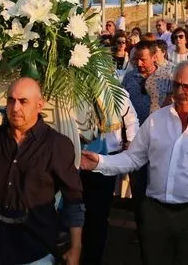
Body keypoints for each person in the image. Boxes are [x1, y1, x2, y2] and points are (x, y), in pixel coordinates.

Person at [81, 61, 188, 265]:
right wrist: (99, 162)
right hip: (156, 213)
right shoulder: (156, 120)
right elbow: (133, 157)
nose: (179, 91)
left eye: (187, 87)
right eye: (176, 85)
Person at [0, 77, 82, 265]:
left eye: (23, 101)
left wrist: (75, 249)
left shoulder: (57, 144)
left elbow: (74, 199)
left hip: (36, 247)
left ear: (39, 105)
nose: (15, 108)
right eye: (11, 100)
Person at [79, 92, 138, 265]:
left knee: (97, 215)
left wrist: (132, 143)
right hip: (75, 158)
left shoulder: (114, 90)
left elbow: (131, 119)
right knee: (74, 210)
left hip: (105, 162)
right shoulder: (72, 87)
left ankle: (91, 258)